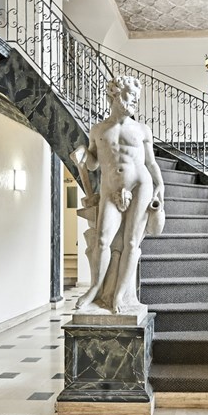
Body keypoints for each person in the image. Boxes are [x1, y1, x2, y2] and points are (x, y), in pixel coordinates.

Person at [75, 76, 165, 314]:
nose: (134, 101)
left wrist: (161, 185)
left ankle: (120, 295)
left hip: (140, 185)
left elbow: (151, 163)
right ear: (114, 95)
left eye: (136, 98)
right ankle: (94, 288)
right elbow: (93, 163)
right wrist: (84, 153)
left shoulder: (142, 129)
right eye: (129, 96)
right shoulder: (98, 129)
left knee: (132, 242)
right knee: (102, 240)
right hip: (110, 188)